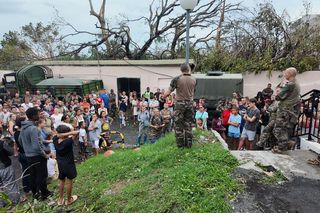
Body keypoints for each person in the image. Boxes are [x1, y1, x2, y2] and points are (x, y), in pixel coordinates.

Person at [19, 107, 52, 200]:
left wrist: (27, 149)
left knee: (33, 175)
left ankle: (36, 194)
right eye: (38, 114)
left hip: (29, 156)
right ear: (33, 116)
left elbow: (20, 141)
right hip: (37, 156)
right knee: (42, 175)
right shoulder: (34, 128)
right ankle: (44, 194)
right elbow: (37, 146)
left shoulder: (23, 128)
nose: (39, 115)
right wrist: (44, 154)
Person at [164, 63, 196, 148]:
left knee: (178, 126)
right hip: (189, 103)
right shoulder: (194, 79)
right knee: (188, 125)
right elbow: (193, 92)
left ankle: (180, 146)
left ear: (181, 70)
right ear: (188, 69)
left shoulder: (177, 79)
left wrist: (163, 96)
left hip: (179, 104)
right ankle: (189, 145)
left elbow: (168, 92)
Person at [272, 67, 300, 153]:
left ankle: (284, 146)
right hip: (289, 109)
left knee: (278, 130)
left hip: (284, 109)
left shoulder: (290, 84)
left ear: (290, 74)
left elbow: (278, 96)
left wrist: (276, 95)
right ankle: (284, 145)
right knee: (283, 129)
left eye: (285, 73)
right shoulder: (296, 83)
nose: (284, 74)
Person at [53, 125, 79, 206]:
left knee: (61, 181)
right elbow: (77, 132)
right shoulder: (68, 141)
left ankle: (60, 199)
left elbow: (56, 134)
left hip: (60, 163)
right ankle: (69, 200)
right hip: (68, 164)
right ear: (66, 133)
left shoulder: (55, 139)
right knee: (69, 181)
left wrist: (61, 134)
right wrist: (67, 133)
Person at [0, 137, 20, 207]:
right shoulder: (2, 143)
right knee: (11, 184)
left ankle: (1, 205)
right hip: (4, 167)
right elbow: (11, 152)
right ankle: (15, 202)